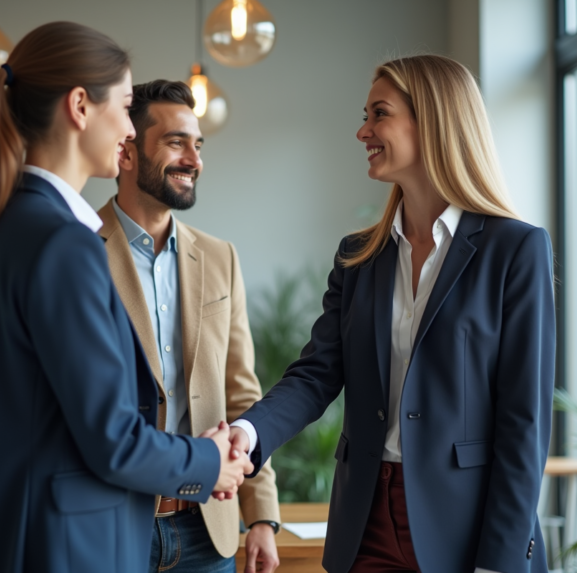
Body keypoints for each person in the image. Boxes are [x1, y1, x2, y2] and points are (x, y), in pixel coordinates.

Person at [0, 22, 252, 573]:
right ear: (80, 106)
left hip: (10, 535)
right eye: (126, 107)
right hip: (61, 547)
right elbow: (113, 439)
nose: (128, 130)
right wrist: (209, 461)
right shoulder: (64, 243)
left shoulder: (7, 225)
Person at [230, 54, 555, 573]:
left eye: (379, 114)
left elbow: (524, 422)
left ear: (433, 121)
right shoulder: (359, 256)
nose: (363, 131)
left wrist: (499, 561)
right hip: (366, 521)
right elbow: (315, 375)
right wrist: (247, 434)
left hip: (469, 526)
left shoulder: (515, 250)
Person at [97, 79, 281, 573]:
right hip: (112, 526)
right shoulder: (79, 249)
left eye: (198, 145)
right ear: (126, 152)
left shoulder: (220, 258)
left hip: (207, 531)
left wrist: (261, 514)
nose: (194, 160)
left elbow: (241, 392)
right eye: (176, 142)